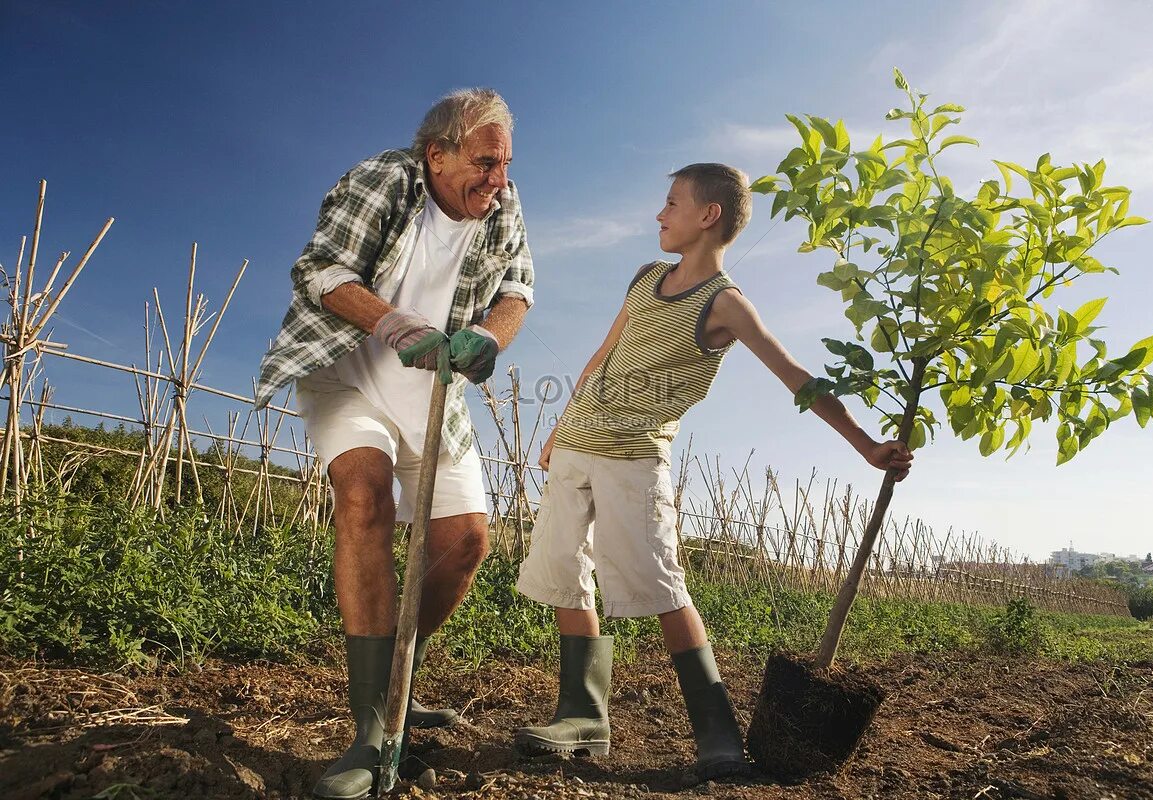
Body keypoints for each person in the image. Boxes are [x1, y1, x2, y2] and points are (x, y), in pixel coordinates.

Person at [512, 163, 912, 778]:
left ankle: (717, 733)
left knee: (663, 586)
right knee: (564, 571)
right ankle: (584, 717)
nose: (659, 214)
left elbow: (795, 376)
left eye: (671, 203)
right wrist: (562, 426)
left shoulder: (724, 304)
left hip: (635, 459)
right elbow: (602, 354)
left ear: (709, 216)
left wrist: (863, 444)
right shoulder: (646, 277)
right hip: (577, 448)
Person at [253, 88, 533, 800]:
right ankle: (370, 729)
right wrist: (395, 324)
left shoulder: (504, 204)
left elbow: (519, 291)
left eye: (504, 165)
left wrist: (489, 337)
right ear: (436, 155)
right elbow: (322, 272)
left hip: (435, 396)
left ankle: (395, 677)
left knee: (467, 541)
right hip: (350, 378)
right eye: (484, 162)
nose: (497, 179)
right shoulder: (385, 179)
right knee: (364, 498)